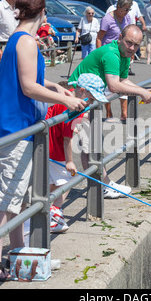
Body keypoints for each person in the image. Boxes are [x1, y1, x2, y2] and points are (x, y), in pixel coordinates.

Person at [0, 0, 87, 282]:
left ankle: (18, 252)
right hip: (15, 127)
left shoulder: (18, 39)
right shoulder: (25, 42)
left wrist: (56, 88)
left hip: (17, 125)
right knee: (7, 195)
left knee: (16, 196)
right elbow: (28, 87)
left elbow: (32, 79)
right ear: (42, 13)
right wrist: (66, 101)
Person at [69, 24, 151, 198]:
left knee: (94, 143)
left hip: (89, 99)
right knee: (89, 145)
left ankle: (105, 183)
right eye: (129, 43)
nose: (132, 48)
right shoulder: (112, 54)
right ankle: (101, 186)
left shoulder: (124, 55)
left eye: (136, 45)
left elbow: (123, 79)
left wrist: (143, 91)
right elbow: (114, 86)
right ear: (120, 38)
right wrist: (141, 92)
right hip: (76, 98)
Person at [47, 73, 107, 233]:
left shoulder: (65, 97)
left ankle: (46, 209)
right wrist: (69, 161)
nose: (92, 102)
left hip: (47, 146)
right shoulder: (73, 107)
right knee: (68, 180)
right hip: (57, 151)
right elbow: (68, 139)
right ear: (83, 91)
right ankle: (53, 213)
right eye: (92, 99)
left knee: (53, 182)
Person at [97, 0, 133, 123]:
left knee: (123, 81)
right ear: (118, 6)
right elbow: (99, 38)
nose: (127, 12)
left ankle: (124, 113)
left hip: (123, 55)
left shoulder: (127, 18)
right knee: (109, 85)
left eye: (129, 9)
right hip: (109, 55)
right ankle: (108, 112)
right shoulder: (107, 19)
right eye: (125, 9)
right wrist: (100, 54)